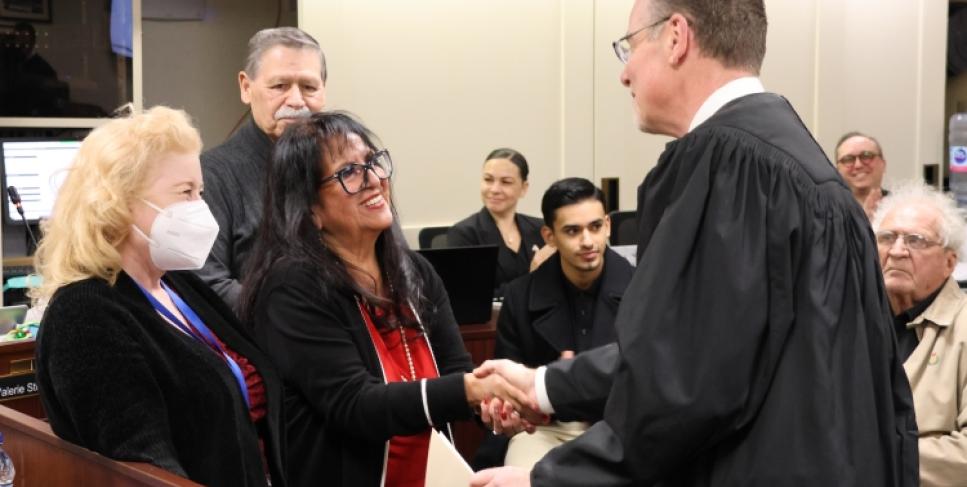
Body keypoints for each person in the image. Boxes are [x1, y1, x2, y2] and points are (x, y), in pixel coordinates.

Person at [470, 0, 918, 486]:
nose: (624, 74)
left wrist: (545, 480)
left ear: (676, 37)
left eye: (629, 48)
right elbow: (701, 344)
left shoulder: (730, 168)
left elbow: (684, 386)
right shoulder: (802, 168)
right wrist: (542, 385)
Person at [239, 112, 533, 487]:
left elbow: (455, 369)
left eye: (372, 162)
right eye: (349, 172)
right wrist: (471, 390)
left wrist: (491, 407)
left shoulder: (414, 271)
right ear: (310, 210)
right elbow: (356, 405)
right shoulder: (291, 287)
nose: (374, 179)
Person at [33, 107, 286, 487]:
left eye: (200, 192)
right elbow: (145, 466)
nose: (200, 207)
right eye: (185, 192)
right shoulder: (84, 315)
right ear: (119, 203)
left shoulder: (176, 283)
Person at [483, 177, 634, 470]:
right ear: (549, 236)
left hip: (619, 425)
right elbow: (507, 388)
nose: (587, 241)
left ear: (608, 226)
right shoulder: (520, 296)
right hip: (544, 429)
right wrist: (510, 410)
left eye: (595, 227)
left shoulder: (641, 289)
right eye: (572, 231)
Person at [198, 27, 327, 311]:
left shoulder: (343, 167)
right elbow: (207, 282)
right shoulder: (212, 175)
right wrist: (293, 320)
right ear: (246, 88)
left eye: (309, 87)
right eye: (279, 86)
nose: (296, 101)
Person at [872, 182, 967, 487]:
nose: (897, 251)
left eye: (916, 240)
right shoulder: (853, 321)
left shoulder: (963, 327)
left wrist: (876, 454)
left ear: (950, 262)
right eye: (887, 238)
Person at [448, 148, 548, 299]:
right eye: (488, 180)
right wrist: (533, 276)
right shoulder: (464, 234)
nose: (494, 189)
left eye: (506, 182)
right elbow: (471, 296)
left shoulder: (541, 228)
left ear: (523, 188)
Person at [835, 131, 889, 219]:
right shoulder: (823, 211)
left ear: (883, 164)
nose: (858, 165)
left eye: (866, 156)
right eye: (848, 159)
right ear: (837, 170)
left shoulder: (902, 206)